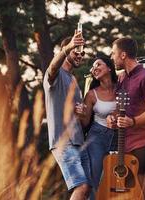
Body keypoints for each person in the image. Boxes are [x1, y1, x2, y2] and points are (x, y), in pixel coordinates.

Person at [107, 37, 145, 199]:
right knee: (130, 192)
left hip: (144, 143)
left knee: (144, 192)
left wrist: (133, 121)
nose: (111, 57)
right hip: (126, 145)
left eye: (113, 53)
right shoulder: (122, 78)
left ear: (123, 55)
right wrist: (113, 118)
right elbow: (122, 109)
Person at [43, 31, 91, 200]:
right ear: (65, 49)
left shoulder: (73, 80)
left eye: (82, 52)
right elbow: (53, 67)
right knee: (81, 186)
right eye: (75, 50)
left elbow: (82, 118)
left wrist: (82, 113)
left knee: (87, 190)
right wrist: (69, 46)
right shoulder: (54, 74)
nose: (80, 54)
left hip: (79, 141)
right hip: (63, 142)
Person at [78, 56, 118, 197]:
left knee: (118, 176)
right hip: (97, 138)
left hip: (120, 137)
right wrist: (81, 114)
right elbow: (85, 123)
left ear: (109, 67)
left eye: (98, 64)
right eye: (93, 67)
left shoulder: (121, 88)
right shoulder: (91, 95)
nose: (94, 68)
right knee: (96, 178)